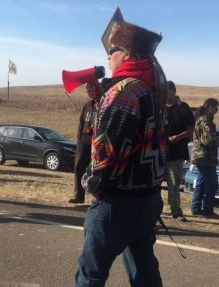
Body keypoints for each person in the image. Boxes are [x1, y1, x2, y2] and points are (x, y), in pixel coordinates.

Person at [74, 18, 168, 287]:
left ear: (126, 55)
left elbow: (106, 155)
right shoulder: (153, 89)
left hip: (118, 203)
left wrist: (89, 182)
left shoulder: (124, 91)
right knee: (144, 271)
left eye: (111, 52)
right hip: (148, 199)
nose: (108, 57)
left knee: (90, 275)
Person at [165, 81, 195, 221]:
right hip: (158, 153)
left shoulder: (183, 108)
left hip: (175, 153)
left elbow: (190, 129)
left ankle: (176, 212)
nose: (165, 94)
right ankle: (153, 211)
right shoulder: (159, 107)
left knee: (174, 184)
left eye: (168, 91)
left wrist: (178, 137)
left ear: (173, 91)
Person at [68, 80, 102, 204]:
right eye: (88, 89)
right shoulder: (87, 105)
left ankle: (96, 197)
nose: (90, 91)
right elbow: (81, 121)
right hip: (84, 141)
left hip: (97, 143)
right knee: (78, 166)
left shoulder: (104, 104)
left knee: (96, 170)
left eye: (92, 88)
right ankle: (78, 196)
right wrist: (79, 138)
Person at [191, 98, 219, 218]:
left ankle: (196, 208)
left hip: (202, 157)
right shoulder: (206, 123)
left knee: (201, 183)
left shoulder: (203, 121)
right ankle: (207, 211)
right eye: (215, 108)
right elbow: (207, 141)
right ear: (209, 108)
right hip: (205, 157)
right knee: (212, 183)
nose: (216, 111)